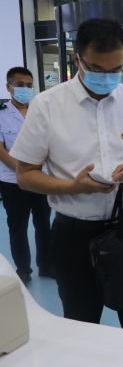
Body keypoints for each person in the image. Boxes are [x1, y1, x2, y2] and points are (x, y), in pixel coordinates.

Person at [10, 18, 123, 332]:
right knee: (81, 324)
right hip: (75, 236)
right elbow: (25, 175)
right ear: (77, 59)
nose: (107, 77)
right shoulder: (47, 106)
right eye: (97, 68)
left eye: (116, 69)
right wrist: (73, 186)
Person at [1, 67, 53, 285]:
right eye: (20, 85)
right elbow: (1, 151)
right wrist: (25, 171)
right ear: (9, 87)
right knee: (18, 227)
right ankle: (23, 269)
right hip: (13, 181)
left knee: (44, 224)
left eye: (29, 85)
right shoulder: (2, 114)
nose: (25, 89)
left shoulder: (41, 112)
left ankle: (46, 266)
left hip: (42, 179)